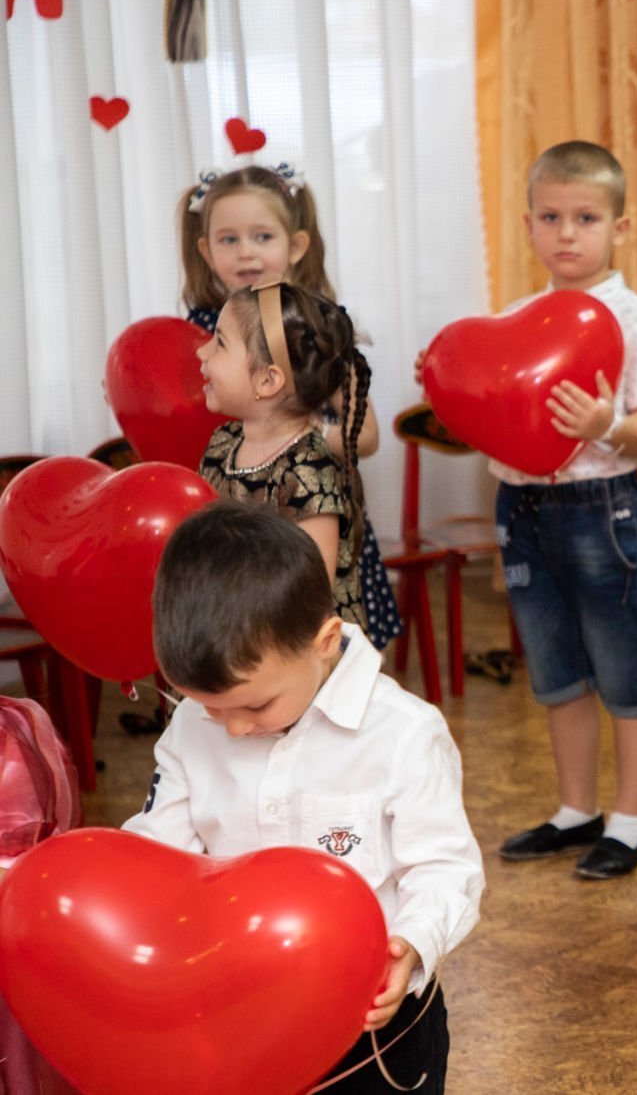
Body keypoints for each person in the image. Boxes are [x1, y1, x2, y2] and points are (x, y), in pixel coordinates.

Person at [125, 501, 484, 1093]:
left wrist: (413, 944)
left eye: (254, 705)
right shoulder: (192, 725)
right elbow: (157, 851)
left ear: (324, 642)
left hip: (376, 1027)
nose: (232, 728)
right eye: (210, 707)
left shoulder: (403, 733)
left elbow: (444, 869)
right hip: (242, 1012)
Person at [485, 141, 637, 878]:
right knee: (555, 669)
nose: (566, 233)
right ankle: (577, 810)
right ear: (529, 225)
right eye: (550, 217)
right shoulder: (514, 318)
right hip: (523, 509)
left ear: (619, 228)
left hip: (604, 511)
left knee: (623, 667)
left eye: (586, 218)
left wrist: (607, 425)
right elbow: (492, 407)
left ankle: (631, 822)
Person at [178, 165, 399, 650]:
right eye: (229, 239)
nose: (247, 252)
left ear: (296, 246)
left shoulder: (312, 329)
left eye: (262, 236)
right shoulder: (199, 330)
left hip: (306, 519)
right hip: (236, 535)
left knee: (319, 641)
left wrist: (292, 445)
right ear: (206, 251)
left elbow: (366, 434)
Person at [197, 280, 372, 637]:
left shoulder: (308, 473)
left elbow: (307, 598)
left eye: (220, 342)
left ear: (267, 380)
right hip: (236, 632)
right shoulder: (222, 444)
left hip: (298, 649)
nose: (202, 351)